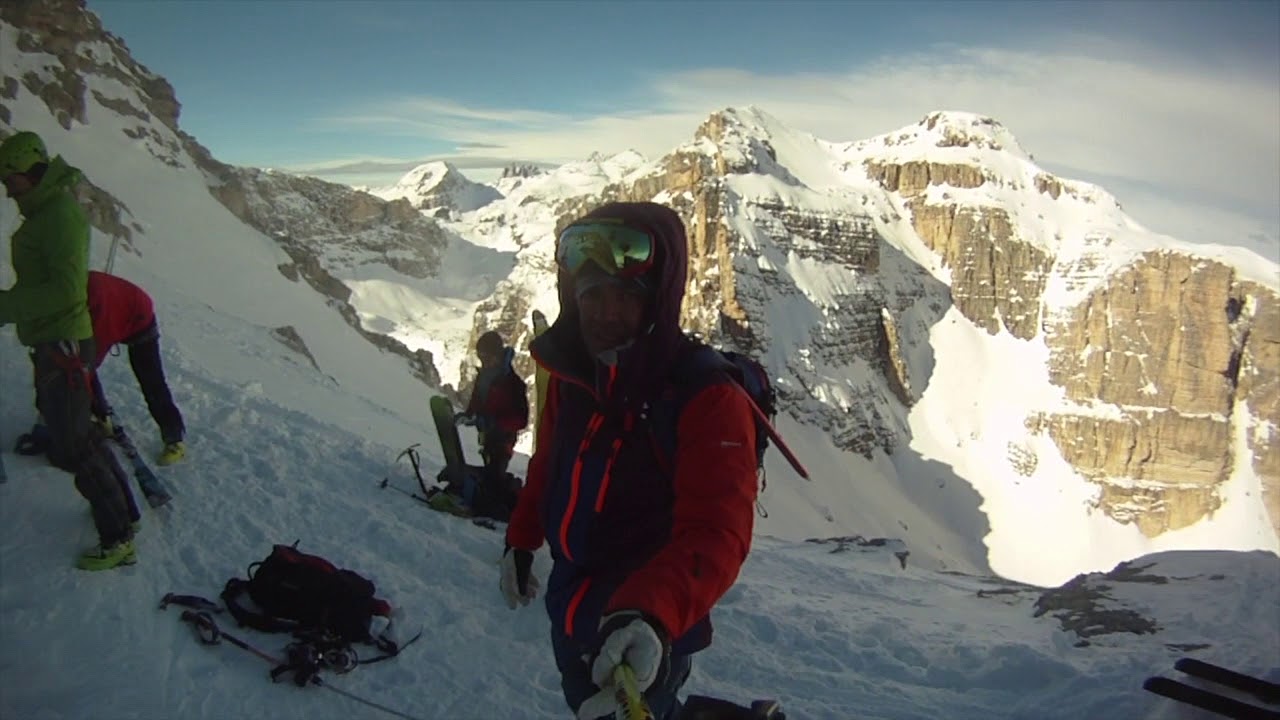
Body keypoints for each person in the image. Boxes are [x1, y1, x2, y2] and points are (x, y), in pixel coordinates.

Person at [498, 202, 760, 720]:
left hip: (646, 632)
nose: (604, 313)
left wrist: (649, 613)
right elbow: (547, 461)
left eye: (624, 297)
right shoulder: (574, 376)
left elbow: (718, 532)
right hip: (571, 607)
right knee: (585, 705)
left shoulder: (705, 397)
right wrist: (522, 538)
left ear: (658, 302)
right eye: (592, 295)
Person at [0, 130, 140, 571]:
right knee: (81, 433)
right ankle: (126, 514)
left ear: (31, 172)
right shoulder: (48, 211)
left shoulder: (57, 217)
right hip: (56, 338)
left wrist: (4, 305)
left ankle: (117, 538)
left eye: (11, 177)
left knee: (73, 443)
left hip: (60, 339)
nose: (6, 186)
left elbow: (64, 290)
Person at [85, 270, 186, 465]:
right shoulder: (75, 292)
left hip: (140, 321)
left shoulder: (97, 308)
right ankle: (101, 413)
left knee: (152, 381)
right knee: (83, 364)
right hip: (124, 308)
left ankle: (175, 439)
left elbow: (88, 362)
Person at [448, 330, 528, 519]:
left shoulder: (512, 383)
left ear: (497, 354)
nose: (484, 361)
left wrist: (494, 422)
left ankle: (506, 506)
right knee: (490, 474)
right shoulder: (484, 376)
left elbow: (520, 419)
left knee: (494, 475)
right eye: (480, 357)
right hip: (487, 435)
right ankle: (492, 499)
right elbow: (478, 400)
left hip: (503, 439)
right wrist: (469, 415)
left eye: (487, 356)